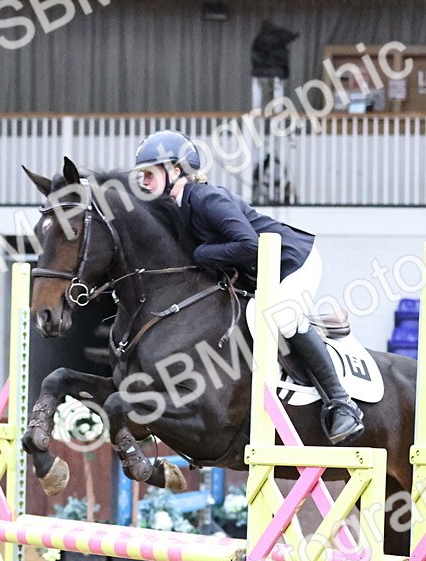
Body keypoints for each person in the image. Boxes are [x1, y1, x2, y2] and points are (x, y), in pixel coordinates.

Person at [132, 129, 364, 445]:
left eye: (149, 173)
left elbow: (249, 244)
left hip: (292, 261)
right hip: (261, 273)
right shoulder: (178, 209)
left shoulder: (206, 199)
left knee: (276, 317)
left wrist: (202, 254)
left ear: (176, 171)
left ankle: (342, 403)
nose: (143, 181)